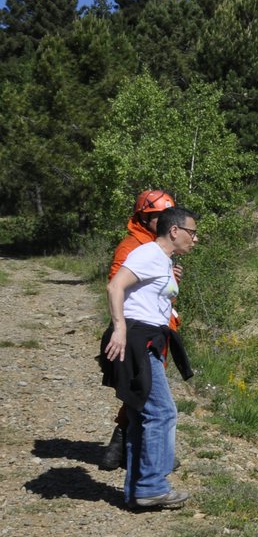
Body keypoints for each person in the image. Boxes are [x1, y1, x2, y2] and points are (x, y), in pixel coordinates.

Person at [101, 206, 198, 511]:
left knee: (142, 414)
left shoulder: (162, 261)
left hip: (145, 339)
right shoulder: (149, 254)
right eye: (192, 233)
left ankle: (136, 491)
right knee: (162, 412)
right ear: (174, 231)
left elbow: (150, 297)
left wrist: (171, 281)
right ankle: (153, 487)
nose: (195, 239)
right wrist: (119, 328)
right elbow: (115, 285)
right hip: (136, 340)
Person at [99, 189, 179, 471]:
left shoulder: (157, 245)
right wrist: (121, 326)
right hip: (138, 330)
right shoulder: (133, 246)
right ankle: (139, 453)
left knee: (144, 388)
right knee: (146, 392)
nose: (166, 220)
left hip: (157, 328)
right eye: (159, 216)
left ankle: (131, 451)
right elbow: (117, 284)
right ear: (144, 217)